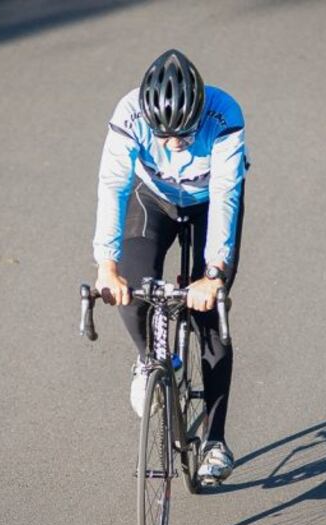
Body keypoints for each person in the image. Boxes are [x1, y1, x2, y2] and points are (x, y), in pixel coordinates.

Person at [91, 49, 249, 485]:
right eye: (164, 135)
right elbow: (113, 186)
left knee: (209, 319)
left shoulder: (225, 116)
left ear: (199, 113)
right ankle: (151, 360)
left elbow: (226, 196)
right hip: (153, 200)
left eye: (185, 133)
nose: (175, 144)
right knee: (132, 290)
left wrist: (213, 275)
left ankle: (215, 441)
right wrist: (106, 265)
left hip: (207, 205)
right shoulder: (128, 114)